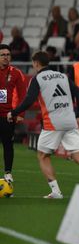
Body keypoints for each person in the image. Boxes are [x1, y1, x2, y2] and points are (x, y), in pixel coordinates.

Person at [7, 51, 79, 198]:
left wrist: (14, 112)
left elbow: (29, 100)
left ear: (36, 63)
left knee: (43, 155)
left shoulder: (38, 78)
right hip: (69, 121)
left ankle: (56, 191)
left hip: (52, 123)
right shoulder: (63, 76)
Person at [0, 44, 27, 183]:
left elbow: (23, 95)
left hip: (8, 116)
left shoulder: (16, 73)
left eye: (7, 54)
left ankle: (8, 172)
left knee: (8, 145)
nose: (5, 57)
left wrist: (20, 113)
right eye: (3, 54)